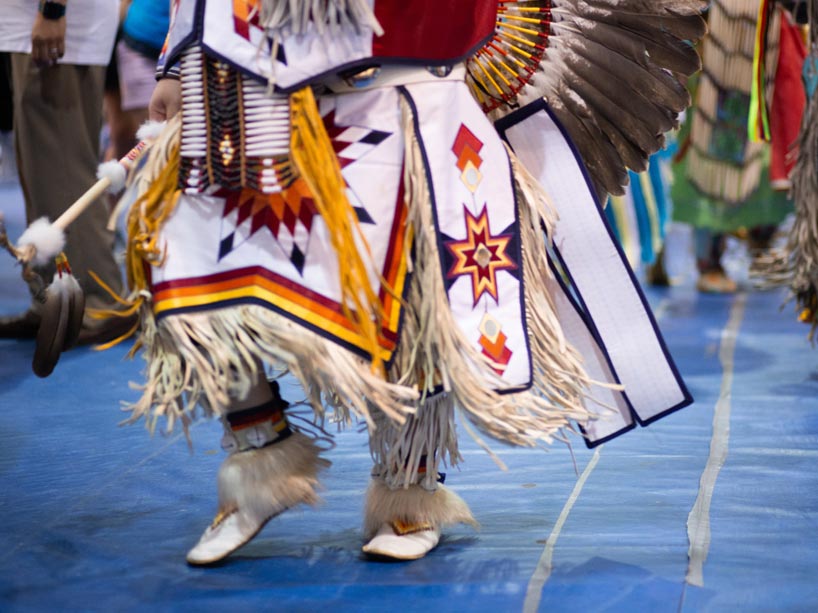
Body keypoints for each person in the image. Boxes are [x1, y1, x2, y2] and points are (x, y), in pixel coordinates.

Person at [102, 0, 703, 565]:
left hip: (409, 78)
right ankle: (259, 458)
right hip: (256, 73)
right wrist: (181, 58)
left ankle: (408, 491)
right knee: (189, 251)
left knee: (418, 292)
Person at [0, 0, 132, 343]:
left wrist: (53, 10)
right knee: (42, 174)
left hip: (56, 30)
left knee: (64, 174)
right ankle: (53, 302)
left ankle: (99, 305)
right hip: (36, 29)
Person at [671, 0, 805, 293]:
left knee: (772, 155)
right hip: (713, 61)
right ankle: (710, 261)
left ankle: (760, 239)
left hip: (766, 52)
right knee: (710, 160)